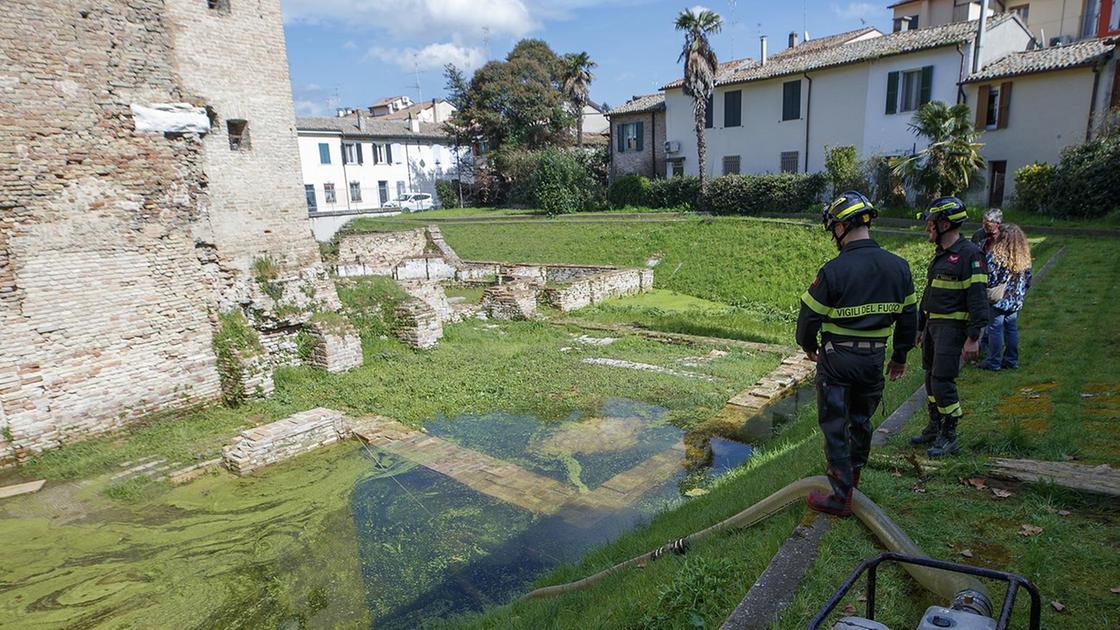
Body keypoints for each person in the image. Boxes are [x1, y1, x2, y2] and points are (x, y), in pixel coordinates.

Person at [797, 191, 918, 517]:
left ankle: (840, 497)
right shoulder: (899, 268)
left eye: (834, 227)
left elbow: (808, 315)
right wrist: (900, 356)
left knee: (836, 424)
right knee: (861, 421)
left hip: (838, 360)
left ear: (843, 226)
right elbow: (910, 318)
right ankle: (855, 478)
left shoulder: (834, 271)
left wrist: (808, 345)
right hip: (874, 359)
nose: (833, 234)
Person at [911, 197, 991, 458]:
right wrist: (921, 327)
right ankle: (934, 426)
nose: (928, 229)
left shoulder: (970, 255)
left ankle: (950, 434)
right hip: (933, 326)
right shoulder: (941, 255)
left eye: (931, 224)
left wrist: (974, 337)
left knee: (943, 381)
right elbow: (930, 294)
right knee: (930, 378)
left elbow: (978, 298)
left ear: (945, 224)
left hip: (952, 328)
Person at [979, 224, 1032, 371]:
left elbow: (990, 277)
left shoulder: (995, 255)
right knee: (1011, 328)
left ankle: (993, 361)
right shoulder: (1024, 257)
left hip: (999, 299)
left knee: (995, 328)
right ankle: (1011, 360)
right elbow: (1028, 277)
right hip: (1015, 298)